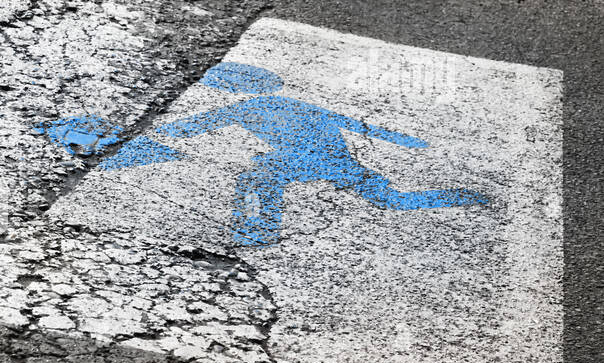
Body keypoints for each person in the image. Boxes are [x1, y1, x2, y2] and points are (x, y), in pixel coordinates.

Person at [103, 61, 486, 246]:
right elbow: (358, 125)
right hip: (340, 160)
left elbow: (191, 127)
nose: (225, 90)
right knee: (391, 200)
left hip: (318, 159)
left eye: (226, 85)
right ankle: (461, 196)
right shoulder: (290, 103)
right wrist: (406, 141)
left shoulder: (244, 108)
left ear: (235, 87)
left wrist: (140, 134)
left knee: (260, 175)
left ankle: (260, 230)